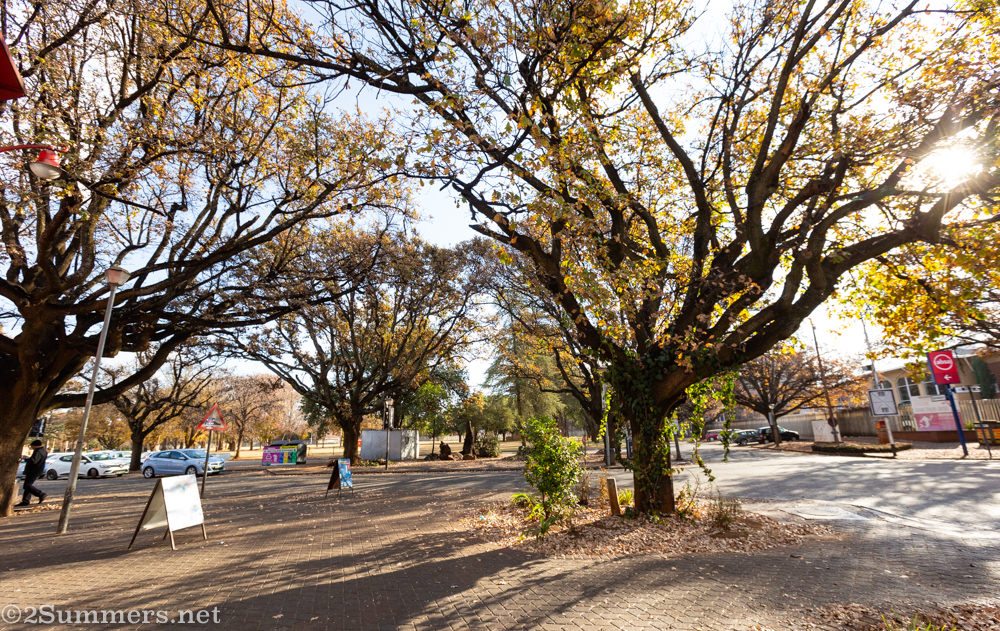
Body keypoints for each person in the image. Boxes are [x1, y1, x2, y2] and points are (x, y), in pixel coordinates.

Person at [16, 439, 47, 507]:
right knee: (28, 486)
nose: (31, 447)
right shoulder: (43, 451)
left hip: (33, 471)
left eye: (32, 446)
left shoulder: (38, 452)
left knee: (27, 485)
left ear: (35, 446)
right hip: (37, 470)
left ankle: (40, 494)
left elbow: (34, 461)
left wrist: (25, 458)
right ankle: (25, 500)